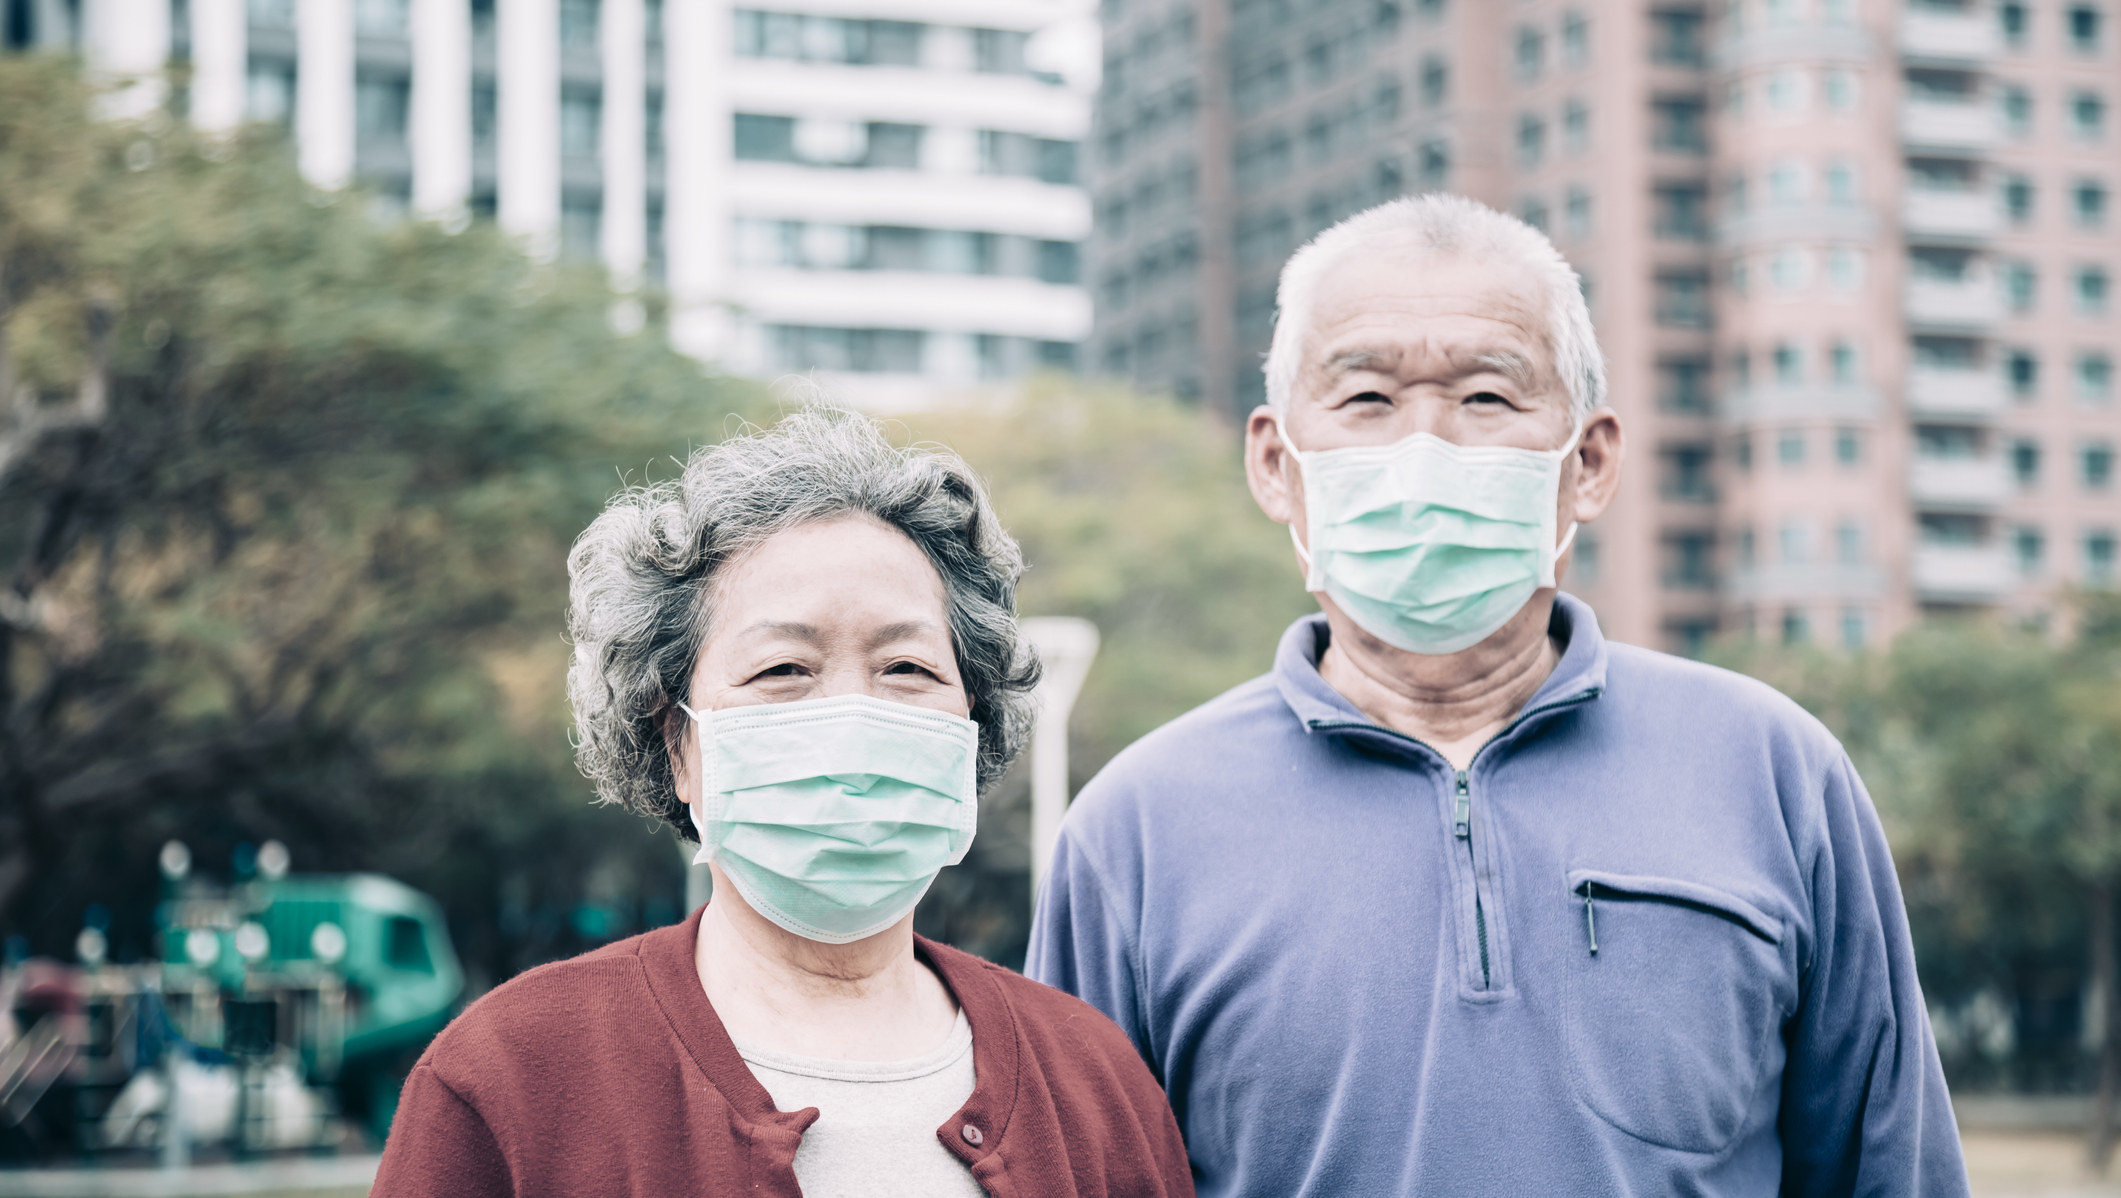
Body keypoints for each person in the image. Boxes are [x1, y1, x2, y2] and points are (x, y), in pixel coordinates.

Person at [1027, 195, 1969, 1196]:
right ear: (1276, 463)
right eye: (1367, 401)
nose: (1424, 449)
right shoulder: (1134, 831)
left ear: (1590, 460)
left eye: (1486, 397)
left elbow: (1890, 1169)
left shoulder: (1775, 772)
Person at [374, 409, 1194, 1198]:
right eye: (783, 670)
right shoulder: (508, 1076)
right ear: (676, 743)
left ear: (972, 726)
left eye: (906, 668)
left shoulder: (1096, 1079)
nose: (852, 717)